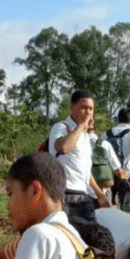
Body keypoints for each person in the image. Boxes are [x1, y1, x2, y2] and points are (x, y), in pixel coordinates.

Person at [49, 90, 111, 223]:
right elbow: (64, 148)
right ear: (71, 108)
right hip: (65, 195)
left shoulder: (84, 136)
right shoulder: (61, 128)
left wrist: (100, 194)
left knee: (89, 236)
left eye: (91, 109)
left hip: (83, 196)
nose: (88, 112)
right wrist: (82, 125)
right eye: (83, 108)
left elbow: (86, 171)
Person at [101, 109, 130, 207]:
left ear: (118, 120)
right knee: (128, 208)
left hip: (108, 178)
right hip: (126, 177)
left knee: (109, 208)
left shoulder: (105, 134)